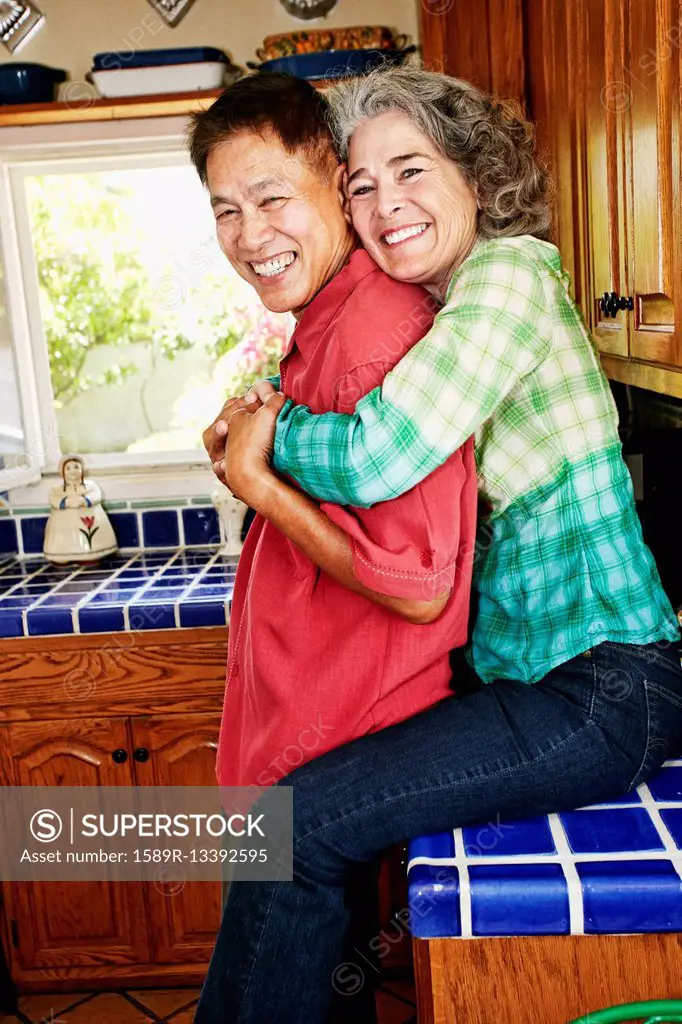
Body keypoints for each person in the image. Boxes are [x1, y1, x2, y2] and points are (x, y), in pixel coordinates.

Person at [198, 67, 682, 1024]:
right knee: (303, 826)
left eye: (411, 171)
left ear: (475, 175)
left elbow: (385, 451)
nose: (386, 205)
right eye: (363, 185)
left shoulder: (510, 274)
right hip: (549, 687)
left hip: (606, 691)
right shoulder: (445, 308)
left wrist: (260, 434)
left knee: (295, 832)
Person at [187, 71, 478, 1019]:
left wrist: (259, 484)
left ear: (334, 178)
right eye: (226, 210)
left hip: (329, 753)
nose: (249, 234)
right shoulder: (323, 330)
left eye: (273, 197)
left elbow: (417, 582)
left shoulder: (371, 331)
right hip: (307, 746)